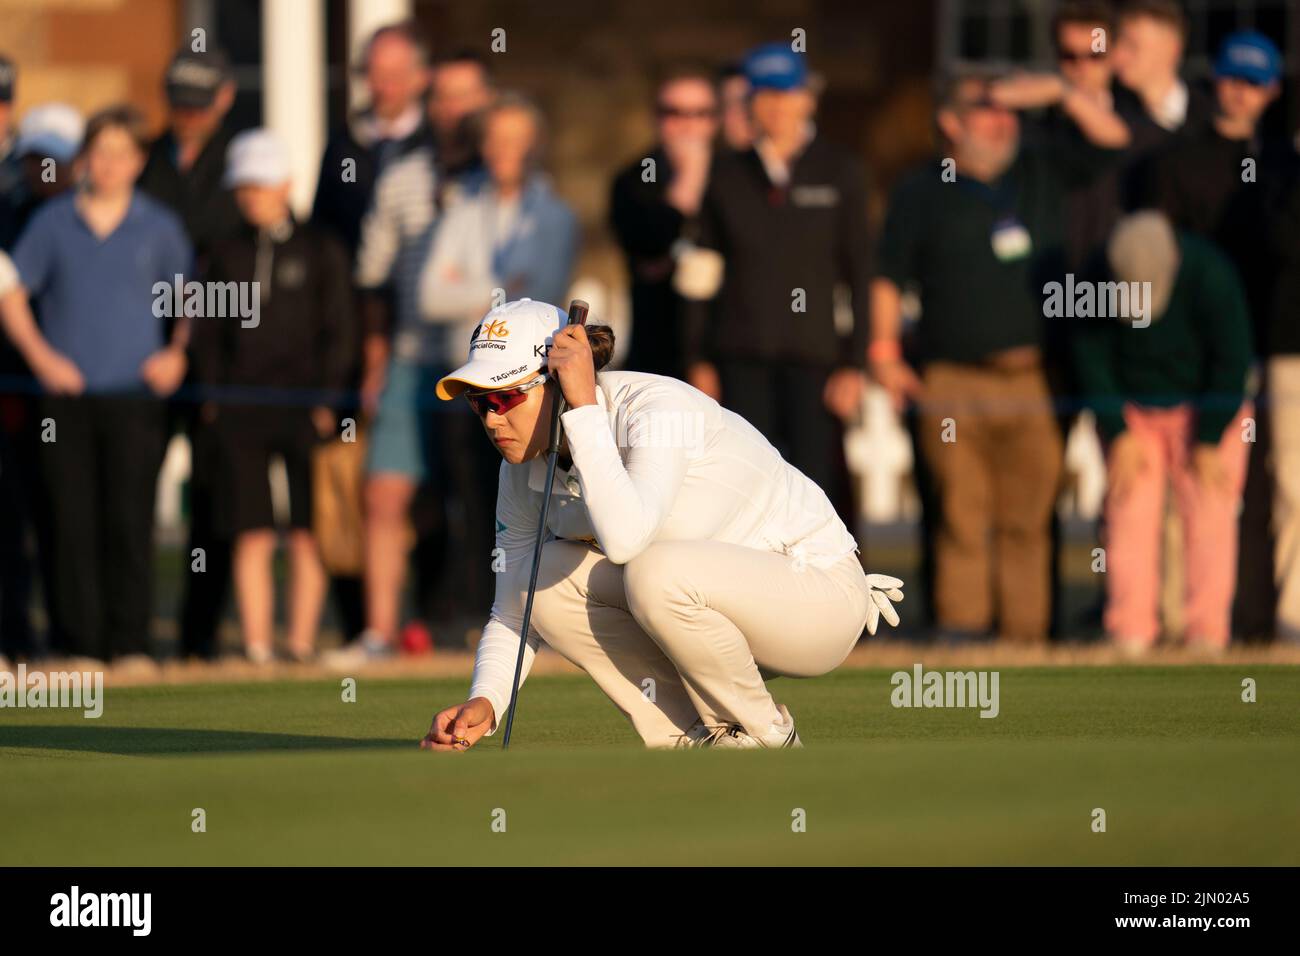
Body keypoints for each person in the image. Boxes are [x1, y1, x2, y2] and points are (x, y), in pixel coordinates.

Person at [417, 298, 904, 751]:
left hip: (817, 599)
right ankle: (699, 740)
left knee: (653, 570)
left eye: (503, 399)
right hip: (709, 621)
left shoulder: (656, 411)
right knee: (541, 579)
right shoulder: (520, 471)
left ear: (559, 380)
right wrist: (487, 700)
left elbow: (627, 540)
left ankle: (767, 737)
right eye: (478, 403)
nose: (490, 419)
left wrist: (582, 407)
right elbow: (513, 608)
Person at [871, 69, 1122, 643]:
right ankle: (964, 635)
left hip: (1036, 377)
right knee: (962, 513)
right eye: (986, 108)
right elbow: (887, 277)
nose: (1003, 119)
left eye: (1010, 109)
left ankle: (1025, 641)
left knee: (1029, 518)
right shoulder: (920, 190)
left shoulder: (1041, 169)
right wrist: (884, 353)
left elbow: (1112, 142)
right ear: (950, 122)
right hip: (953, 379)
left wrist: (1060, 91)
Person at [1, 106, 192, 665]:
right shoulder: (51, 223)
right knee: (70, 521)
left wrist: (176, 354)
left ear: (137, 162)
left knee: (130, 521)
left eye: (120, 154)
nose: (108, 165)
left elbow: (188, 298)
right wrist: (41, 357)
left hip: (134, 398)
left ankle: (130, 643)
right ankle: (78, 643)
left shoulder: (160, 226)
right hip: (65, 401)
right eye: (99, 153)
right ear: (85, 158)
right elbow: (10, 291)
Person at [681, 42, 871, 530]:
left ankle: (830, 594)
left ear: (807, 98)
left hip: (816, 362)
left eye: (786, 94)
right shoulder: (725, 176)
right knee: (743, 483)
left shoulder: (841, 171)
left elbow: (861, 273)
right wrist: (698, 357)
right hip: (740, 358)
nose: (776, 108)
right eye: (763, 97)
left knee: (816, 483)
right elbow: (701, 272)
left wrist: (855, 363)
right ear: (748, 106)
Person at [189, 130, 355, 663]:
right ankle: (258, 647)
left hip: (305, 410)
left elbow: (340, 330)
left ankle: (300, 643)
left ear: (285, 184)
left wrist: (329, 400)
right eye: (244, 186)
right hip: (239, 411)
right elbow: (207, 332)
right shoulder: (222, 251)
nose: (252, 195)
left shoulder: (320, 248)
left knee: (308, 531)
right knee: (252, 532)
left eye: (261, 184)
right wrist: (212, 396)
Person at [1149, 30, 1292, 644]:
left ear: (1274, 91)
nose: (1239, 92)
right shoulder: (1179, 162)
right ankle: (1187, 627)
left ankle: (1281, 625)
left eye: (1254, 82)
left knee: (1284, 487)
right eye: (1231, 78)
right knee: (1198, 488)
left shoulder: (1288, 163)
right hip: (1203, 356)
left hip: (1280, 342)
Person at [1071, 212, 1253, 652]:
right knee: (1128, 514)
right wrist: (1117, 431)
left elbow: (1232, 361)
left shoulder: (1211, 274)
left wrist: (1209, 438)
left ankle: (1206, 633)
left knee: (1210, 514)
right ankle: (1130, 631)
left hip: (1205, 406)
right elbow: (1090, 357)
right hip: (1134, 413)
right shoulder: (1096, 276)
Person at [311, 20, 435, 644]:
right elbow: (328, 246)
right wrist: (356, 349)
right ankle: (365, 623)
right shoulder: (345, 144)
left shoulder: (440, 146)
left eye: (394, 74)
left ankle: (437, 621)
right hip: (354, 339)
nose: (382, 86)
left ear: (419, 77)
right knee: (357, 485)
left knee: (439, 494)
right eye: (373, 74)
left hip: (426, 337)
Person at [139, 47, 245, 662]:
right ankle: (124, 634)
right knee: (131, 498)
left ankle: (198, 639)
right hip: (146, 355)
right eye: (179, 104)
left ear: (224, 99)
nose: (188, 116)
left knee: (213, 502)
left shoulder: (238, 165)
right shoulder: (148, 159)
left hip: (217, 359)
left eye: (199, 106)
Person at [0, 103, 81, 661]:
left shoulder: (81, 216)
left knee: (63, 518)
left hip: (66, 394)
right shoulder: (10, 211)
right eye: (35, 161)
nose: (42, 171)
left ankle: (67, 637)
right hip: (17, 391)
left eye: (52, 161)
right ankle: (16, 637)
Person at [609, 65, 717, 378]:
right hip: (658, 348)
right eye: (675, 112)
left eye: (700, 113)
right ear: (657, 117)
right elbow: (648, 245)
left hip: (728, 350)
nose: (687, 124)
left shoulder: (735, 177)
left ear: (715, 120)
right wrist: (688, 182)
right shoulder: (633, 181)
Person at [1110, 0, 1215, 208]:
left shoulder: (1212, 118)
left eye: (1132, 45)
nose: (1117, 55)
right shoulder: (1110, 117)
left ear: (1172, 49)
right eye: (1117, 43)